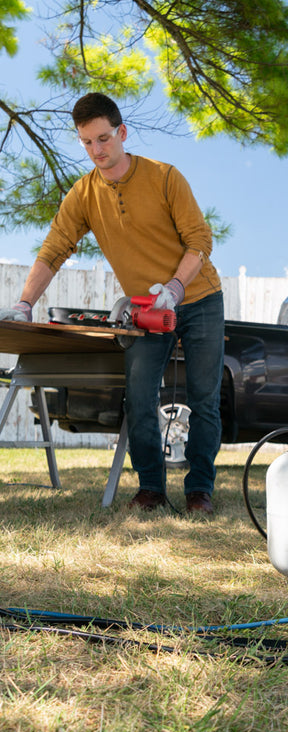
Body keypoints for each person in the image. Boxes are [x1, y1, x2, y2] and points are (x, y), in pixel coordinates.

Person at [0, 93, 224, 515]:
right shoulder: (84, 193)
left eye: (103, 138)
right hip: (144, 312)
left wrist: (174, 289)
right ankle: (152, 489)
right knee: (139, 397)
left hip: (198, 298)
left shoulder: (164, 177)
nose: (97, 150)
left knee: (204, 397)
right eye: (87, 142)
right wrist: (25, 303)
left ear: (121, 133)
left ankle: (199, 491)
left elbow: (200, 241)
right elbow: (53, 250)